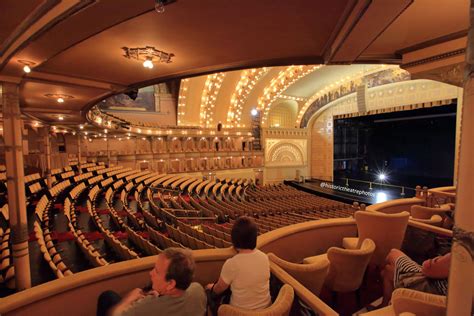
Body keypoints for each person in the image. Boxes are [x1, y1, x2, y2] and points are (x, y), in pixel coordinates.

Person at [97, 247, 207, 316]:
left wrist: (130, 298)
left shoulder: (147, 307)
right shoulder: (198, 289)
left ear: (171, 284)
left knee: (106, 297)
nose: (151, 273)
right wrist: (159, 294)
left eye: (157, 271)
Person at [206, 216, 271, 311]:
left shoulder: (232, 264)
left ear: (234, 239)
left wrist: (210, 287)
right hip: (267, 310)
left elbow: (219, 289)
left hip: (240, 312)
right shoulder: (264, 257)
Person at [380, 249, 451, 307]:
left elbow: (427, 268)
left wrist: (440, 258)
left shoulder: (459, 256)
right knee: (388, 270)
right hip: (442, 297)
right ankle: (385, 307)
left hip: (429, 290)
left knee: (393, 253)